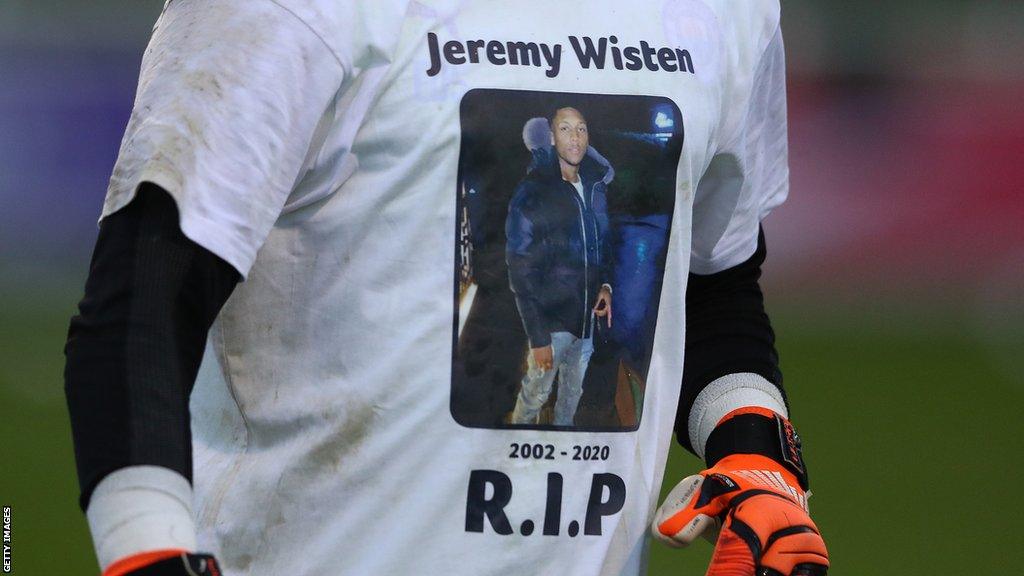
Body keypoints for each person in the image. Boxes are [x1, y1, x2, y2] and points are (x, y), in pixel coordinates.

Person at [63, 1, 829, 575]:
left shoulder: (727, 11)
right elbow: (139, 308)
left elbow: (711, 276)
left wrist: (756, 451)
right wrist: (146, 555)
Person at [506, 107, 613, 426]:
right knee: (535, 394)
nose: (575, 137)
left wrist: (605, 285)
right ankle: (516, 443)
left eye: (581, 129)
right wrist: (538, 337)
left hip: (585, 323)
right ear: (551, 138)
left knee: (571, 394)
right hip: (551, 323)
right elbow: (520, 267)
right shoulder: (532, 191)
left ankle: (561, 445)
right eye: (565, 129)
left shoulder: (595, 189)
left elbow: (601, 243)